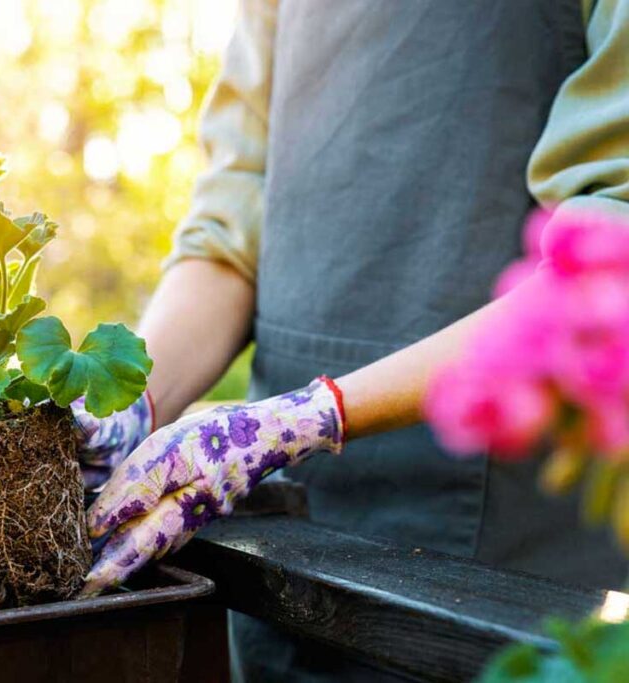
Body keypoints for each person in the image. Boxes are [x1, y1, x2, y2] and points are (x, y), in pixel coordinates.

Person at [73, 0, 629, 680]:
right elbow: (228, 235)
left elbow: (606, 257)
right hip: (281, 536)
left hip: (495, 566)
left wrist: (313, 414)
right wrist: (132, 403)